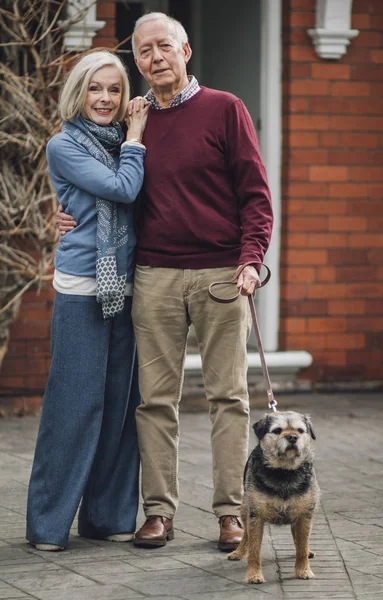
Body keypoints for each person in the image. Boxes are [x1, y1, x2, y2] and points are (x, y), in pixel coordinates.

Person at [57, 13, 273, 552]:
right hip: (151, 276)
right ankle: (158, 513)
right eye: (144, 51)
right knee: (154, 402)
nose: (154, 58)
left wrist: (251, 260)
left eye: (163, 47)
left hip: (223, 275)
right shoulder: (133, 119)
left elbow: (256, 195)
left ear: (185, 50)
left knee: (229, 399)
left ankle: (230, 514)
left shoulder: (226, 109)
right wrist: (58, 214)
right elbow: (95, 182)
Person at [26, 50, 149, 551]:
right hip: (82, 287)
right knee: (74, 407)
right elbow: (122, 188)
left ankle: (108, 517)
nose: (105, 98)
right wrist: (138, 139)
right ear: (79, 93)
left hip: (132, 285)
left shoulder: (127, 140)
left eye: (115, 89)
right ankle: (48, 525)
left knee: (122, 407)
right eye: (95, 88)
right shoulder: (65, 144)